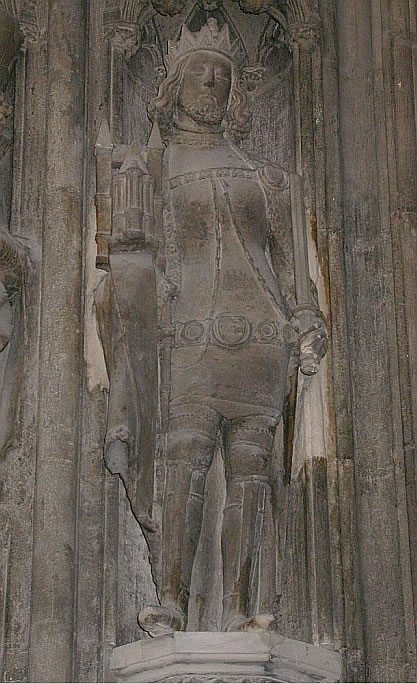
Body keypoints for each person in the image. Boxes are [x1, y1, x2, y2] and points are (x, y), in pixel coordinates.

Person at [138, 19, 328, 636]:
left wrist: (306, 319)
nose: (212, 84)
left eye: (222, 76)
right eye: (201, 72)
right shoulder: (153, 167)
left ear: (235, 92)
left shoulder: (267, 177)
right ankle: (170, 600)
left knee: (251, 472)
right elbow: (134, 256)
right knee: (184, 459)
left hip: (261, 341)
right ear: (175, 84)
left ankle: (241, 607)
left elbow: (292, 269)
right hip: (188, 336)